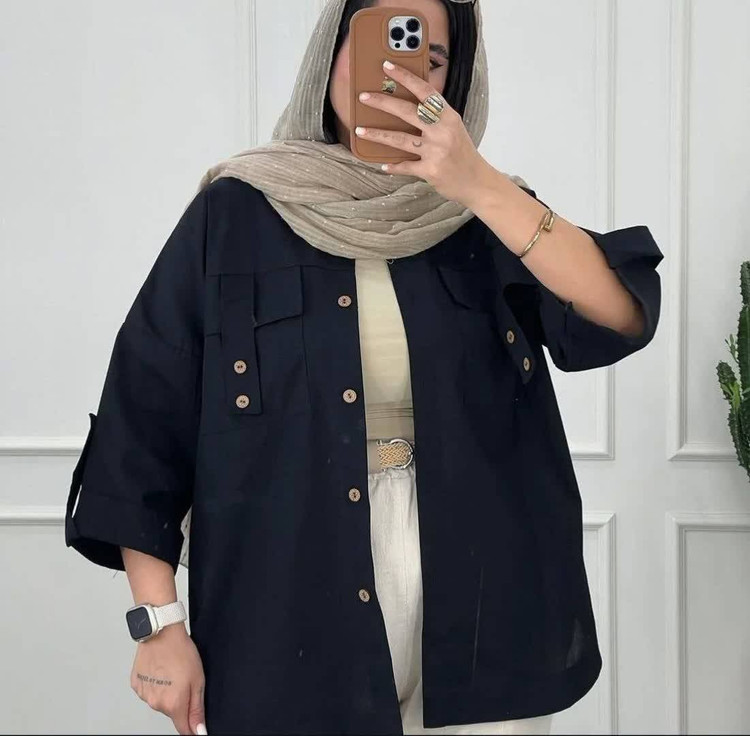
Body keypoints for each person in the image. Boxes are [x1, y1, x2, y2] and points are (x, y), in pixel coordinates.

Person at [64, 0, 664, 734]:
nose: (398, 74)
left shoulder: (487, 214)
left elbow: (620, 315)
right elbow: (142, 424)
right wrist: (158, 625)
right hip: (287, 603)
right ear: (329, 54)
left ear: (456, 82)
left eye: (429, 59)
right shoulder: (235, 215)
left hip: (484, 601)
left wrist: (478, 184)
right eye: (378, 42)